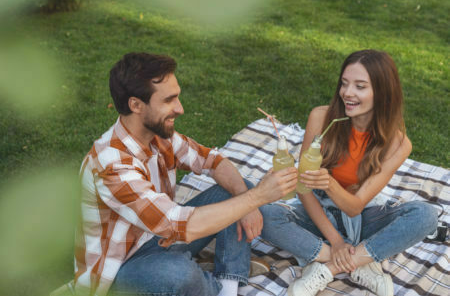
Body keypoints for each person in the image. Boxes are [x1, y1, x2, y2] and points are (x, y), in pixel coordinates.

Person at [73, 52, 298, 296]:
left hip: (158, 240)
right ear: (136, 105)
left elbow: (213, 161)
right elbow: (179, 225)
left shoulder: (157, 136)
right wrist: (257, 197)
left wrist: (246, 198)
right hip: (120, 273)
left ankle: (229, 285)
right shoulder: (111, 165)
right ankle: (210, 286)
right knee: (178, 273)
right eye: (169, 100)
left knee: (235, 188)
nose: (180, 109)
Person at [259, 50, 438, 296]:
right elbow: (303, 190)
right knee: (264, 214)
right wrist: (336, 241)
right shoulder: (321, 117)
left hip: (362, 216)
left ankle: (328, 268)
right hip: (319, 213)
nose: (347, 93)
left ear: (383, 93)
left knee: (426, 216)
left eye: (360, 86)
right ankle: (361, 259)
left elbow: (355, 207)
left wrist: (330, 183)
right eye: (344, 84)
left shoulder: (398, 144)